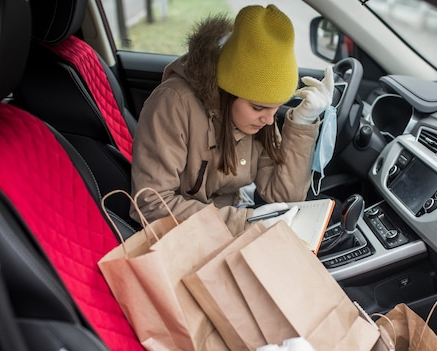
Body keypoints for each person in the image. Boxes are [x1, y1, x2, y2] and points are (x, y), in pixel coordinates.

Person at [131, 4, 334, 236]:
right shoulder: (174, 103)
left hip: (226, 225)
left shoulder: (258, 121)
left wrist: (302, 124)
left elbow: (284, 196)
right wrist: (243, 222)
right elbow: (150, 204)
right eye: (258, 107)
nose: (269, 120)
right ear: (228, 92)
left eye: (276, 107)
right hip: (185, 236)